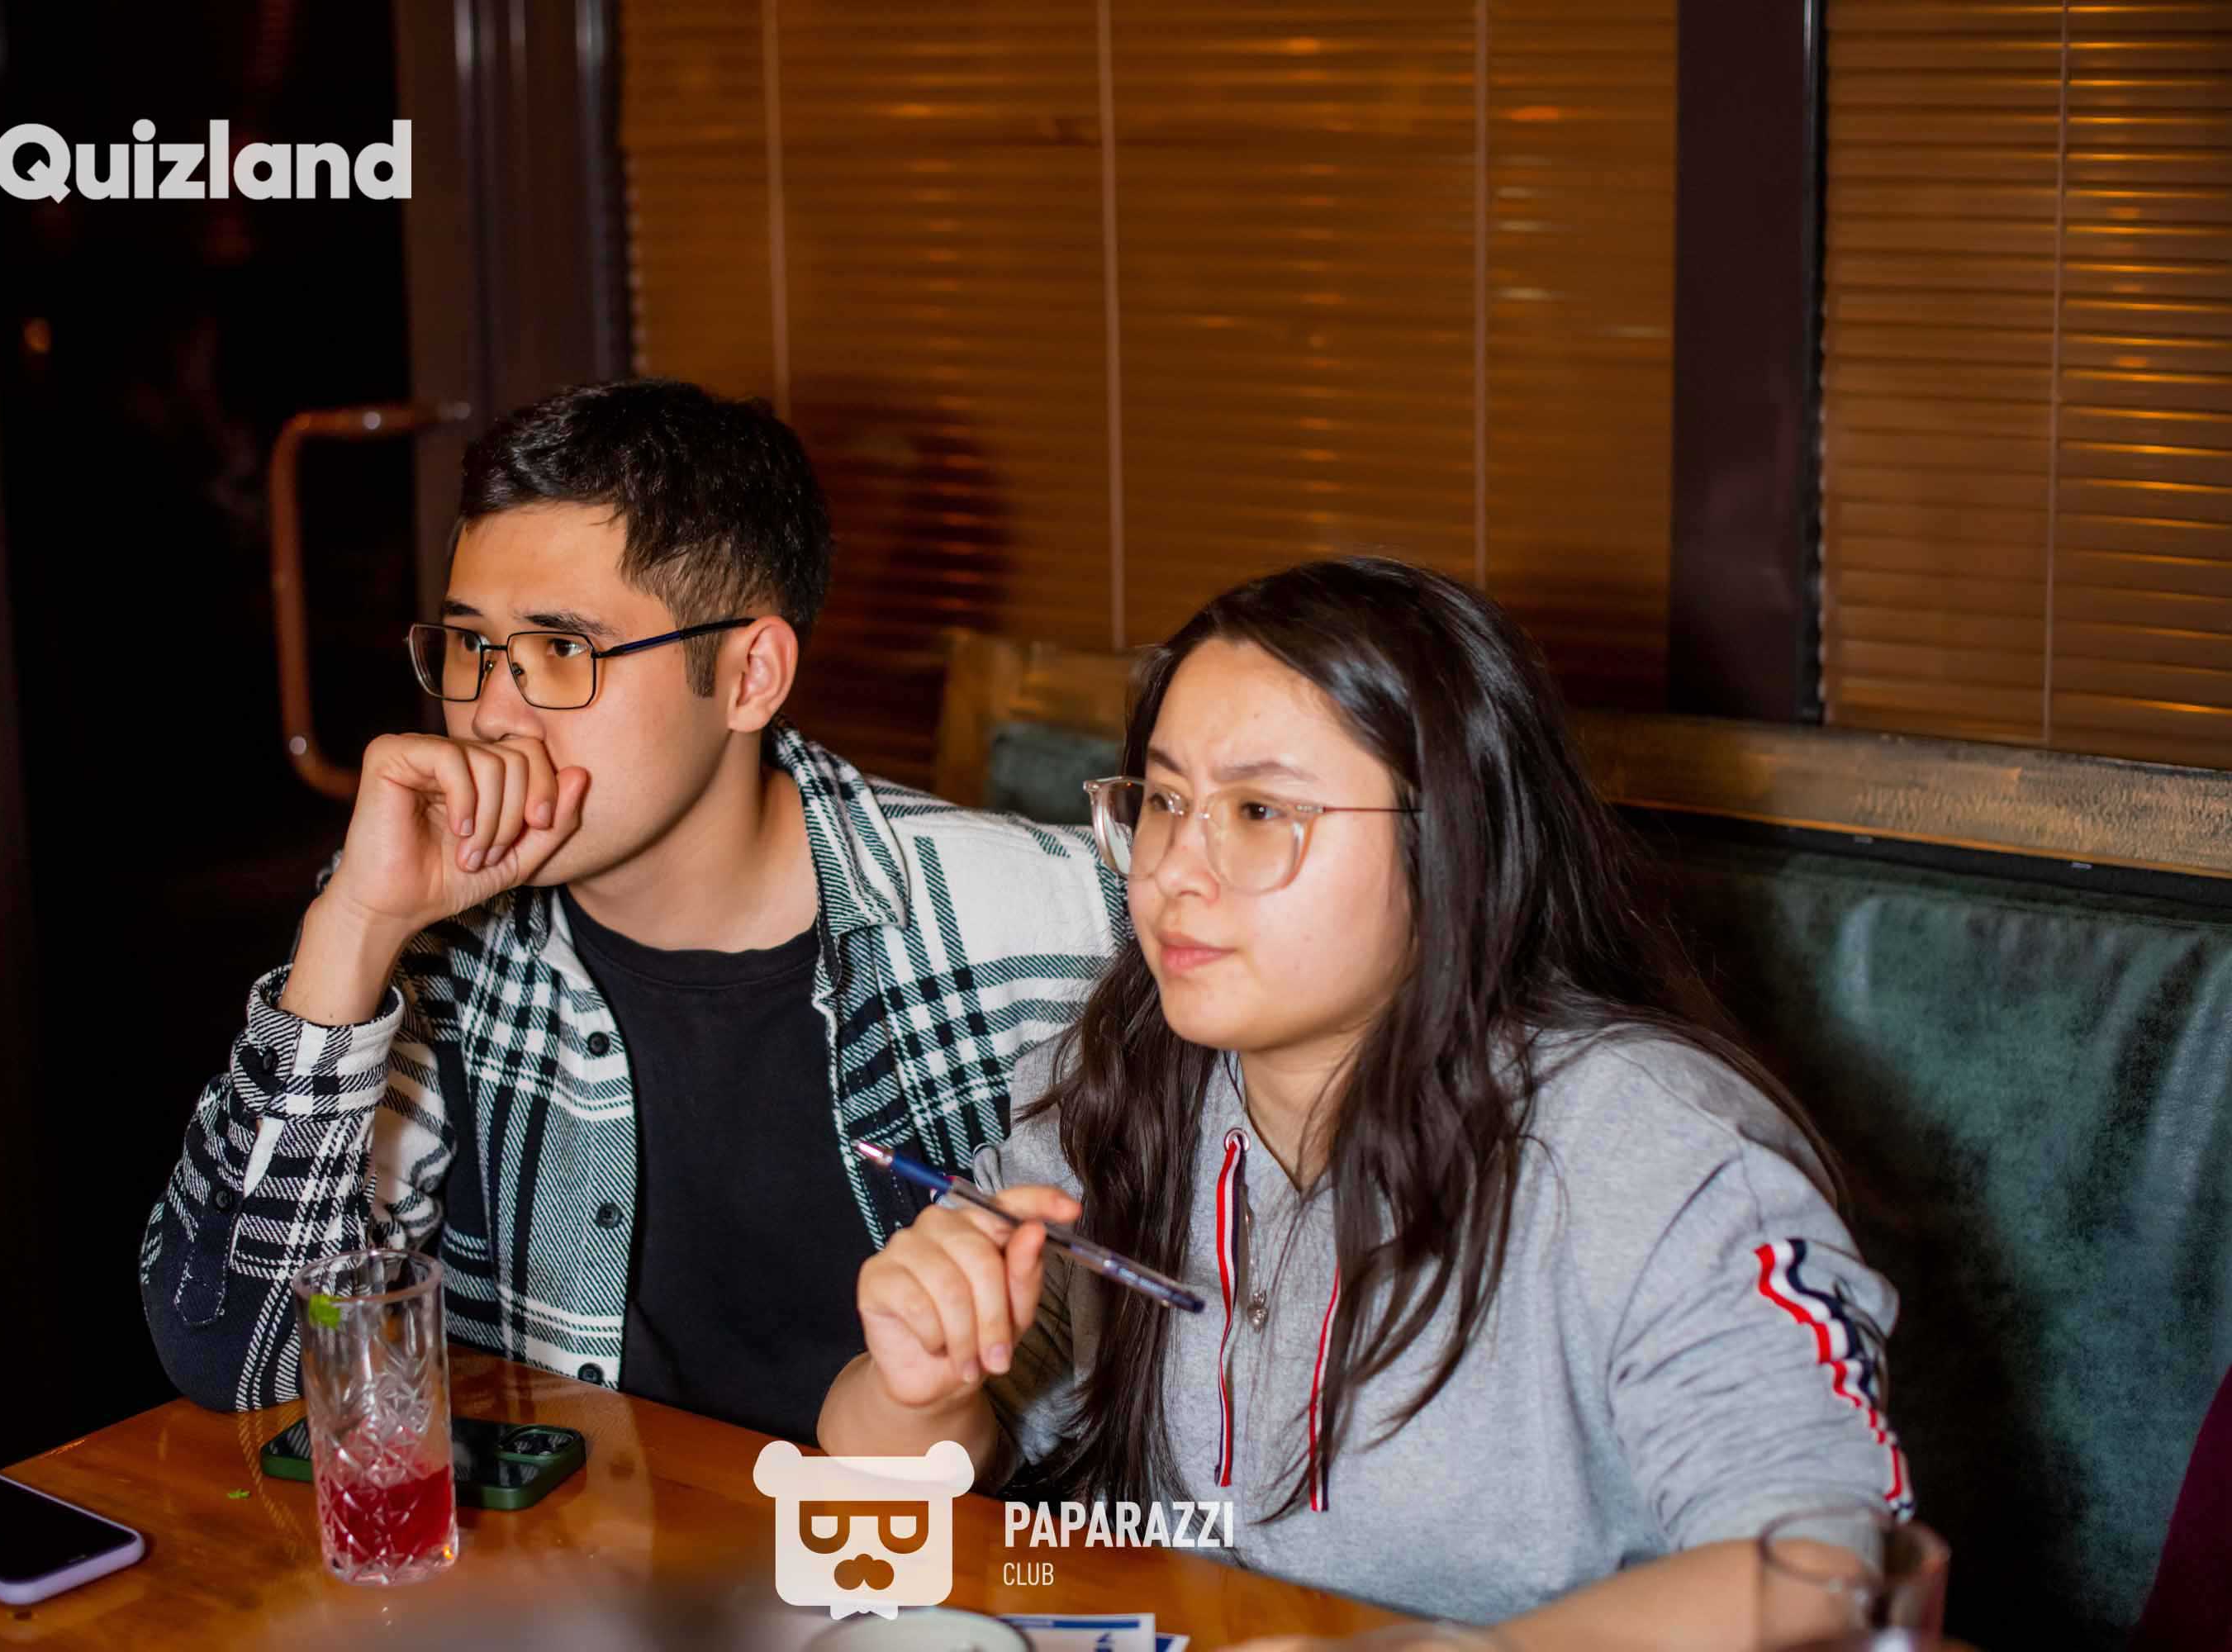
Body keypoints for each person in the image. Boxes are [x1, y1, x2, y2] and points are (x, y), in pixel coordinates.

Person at [818, 558, 1912, 1649]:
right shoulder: (1115, 1085)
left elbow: (1828, 1574)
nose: (1173, 871)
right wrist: (920, 1386)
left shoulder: (1664, 1155)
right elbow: (876, 1504)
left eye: (1259, 809)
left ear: (1451, 843)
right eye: (1163, 800)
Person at [140, 380, 1121, 1442]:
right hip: (574, 1545)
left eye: (563, 650)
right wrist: (354, 927)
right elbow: (237, 1353)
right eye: (471, 647)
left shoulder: (1052, 925)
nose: (492, 714)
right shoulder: (423, 925)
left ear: (749, 676)